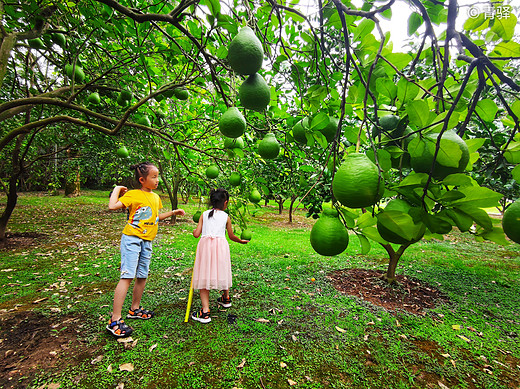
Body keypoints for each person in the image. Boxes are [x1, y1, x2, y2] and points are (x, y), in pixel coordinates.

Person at [106, 162, 186, 337]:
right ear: (142, 180)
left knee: (142, 275)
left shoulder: (156, 197)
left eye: (158, 176)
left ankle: (134, 309)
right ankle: (115, 319)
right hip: (132, 239)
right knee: (127, 276)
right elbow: (112, 207)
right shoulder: (133, 195)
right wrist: (117, 189)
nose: (157, 180)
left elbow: (155, 217)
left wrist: (173, 213)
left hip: (147, 241)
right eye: (154, 177)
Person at [191, 188, 248, 323]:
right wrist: (241, 241)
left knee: (204, 275)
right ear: (225, 203)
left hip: (205, 247)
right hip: (221, 247)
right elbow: (231, 236)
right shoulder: (226, 217)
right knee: (222, 270)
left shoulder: (204, 214)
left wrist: (194, 230)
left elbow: (196, 234)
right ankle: (226, 298)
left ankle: (205, 312)